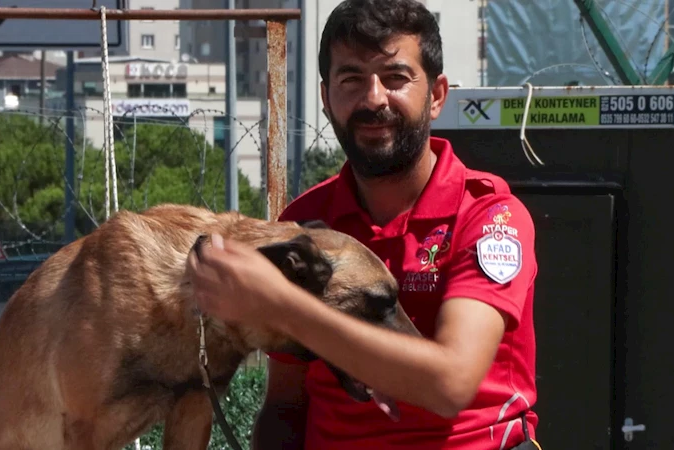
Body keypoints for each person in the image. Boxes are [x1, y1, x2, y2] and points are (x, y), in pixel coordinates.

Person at [187, 0, 540, 448]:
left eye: (396, 79)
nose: (373, 99)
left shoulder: (489, 216)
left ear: (436, 95)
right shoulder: (305, 222)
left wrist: (280, 305)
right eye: (351, 79)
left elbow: (451, 385)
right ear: (325, 97)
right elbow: (286, 405)